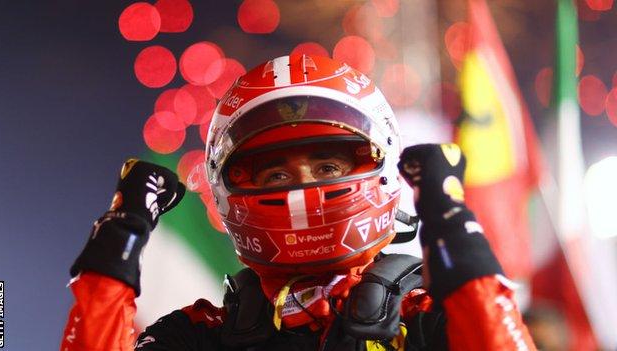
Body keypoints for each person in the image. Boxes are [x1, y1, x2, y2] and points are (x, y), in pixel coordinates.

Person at [60, 55, 536, 350]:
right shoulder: (200, 335)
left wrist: (454, 227)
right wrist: (115, 248)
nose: (302, 189)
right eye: (277, 174)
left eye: (328, 168)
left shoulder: (425, 317)